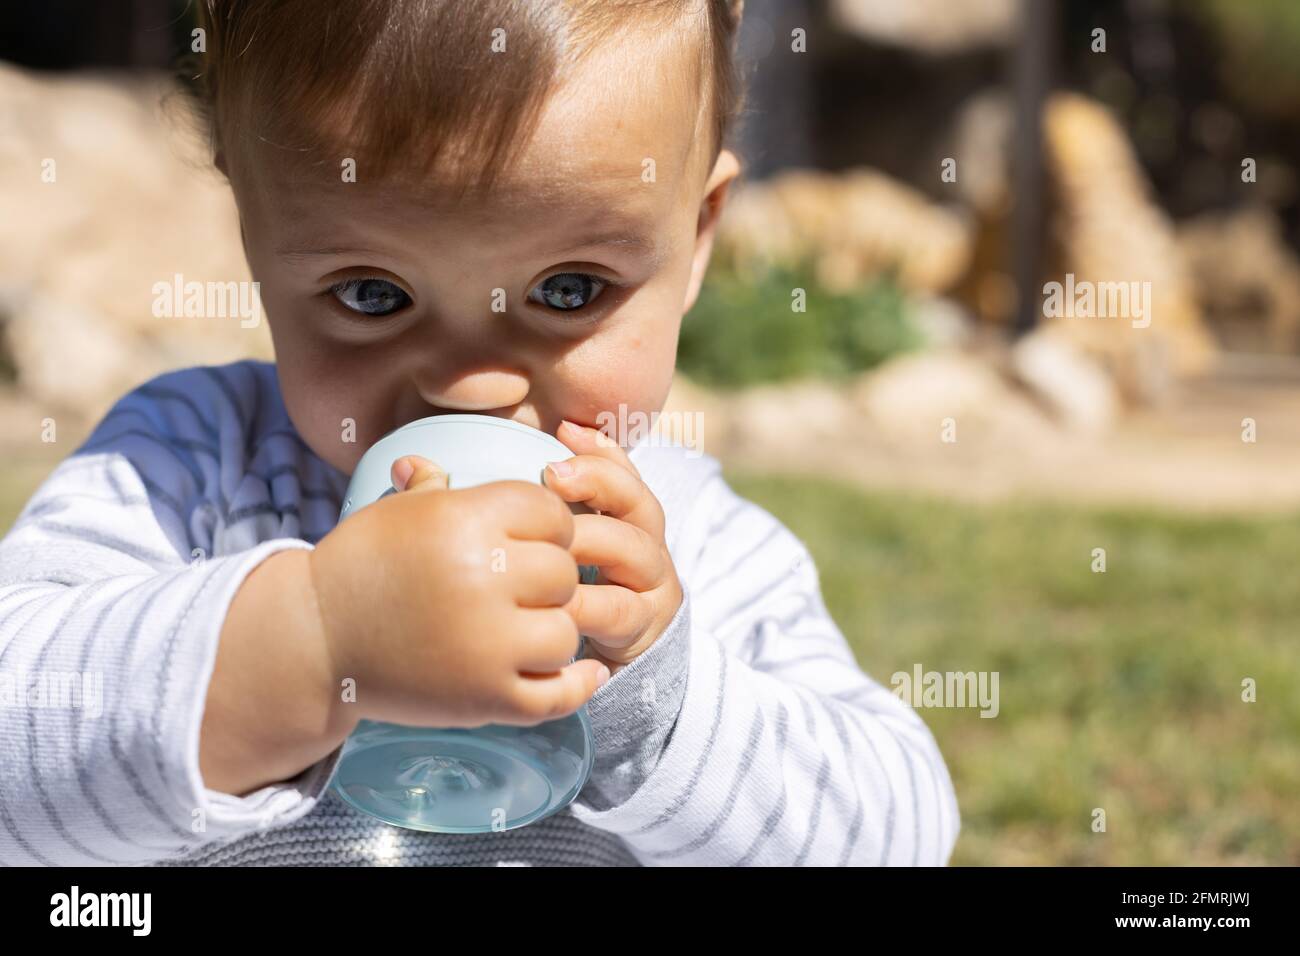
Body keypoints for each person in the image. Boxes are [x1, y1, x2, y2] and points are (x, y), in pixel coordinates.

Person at [0, 0, 958, 866]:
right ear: (253, 229)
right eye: (372, 295)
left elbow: (900, 833)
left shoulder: (697, 550)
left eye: (569, 290)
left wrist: (654, 706)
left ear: (698, 235)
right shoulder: (189, 466)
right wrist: (312, 639)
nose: (472, 386)